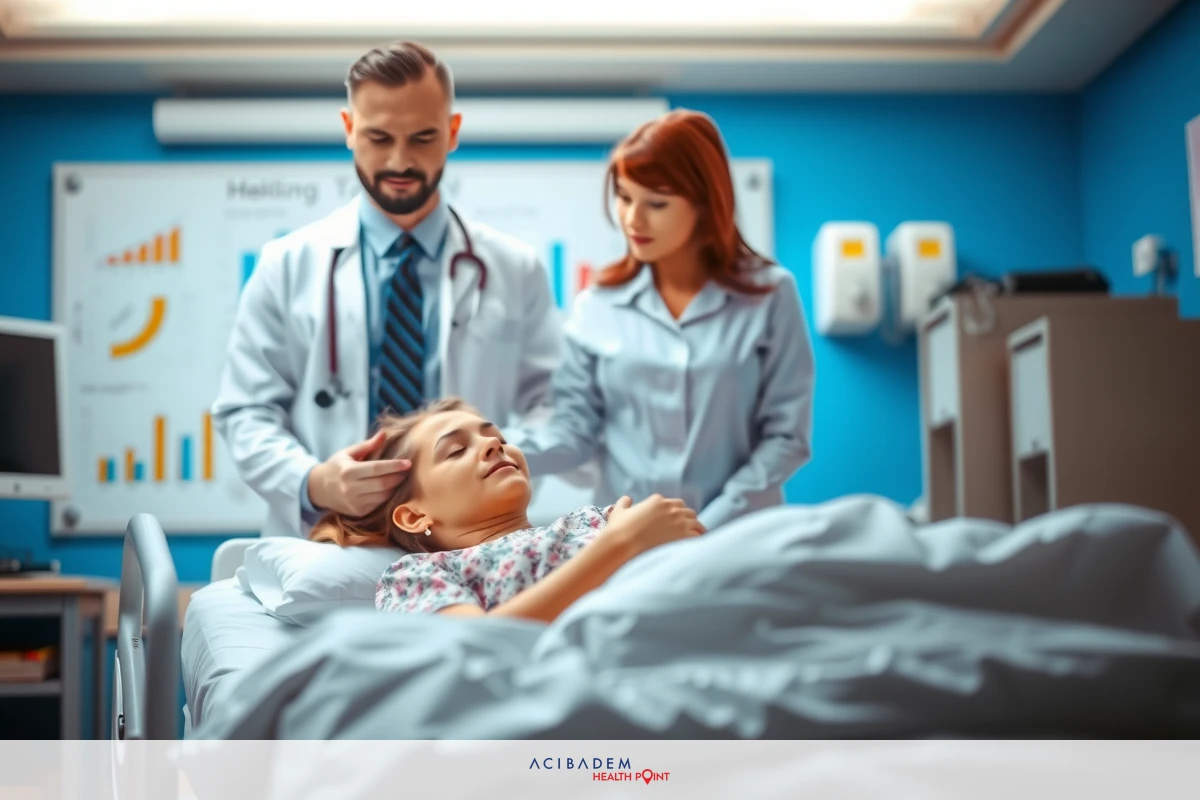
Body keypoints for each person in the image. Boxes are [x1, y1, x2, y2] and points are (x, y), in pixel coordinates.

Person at [212, 41, 561, 538]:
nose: (400, 161)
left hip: (472, 542)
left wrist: (476, 475)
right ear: (350, 129)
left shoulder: (515, 269)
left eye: (422, 138)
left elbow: (553, 408)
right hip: (329, 543)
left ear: (453, 132)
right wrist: (313, 482)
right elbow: (245, 410)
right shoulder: (285, 265)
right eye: (379, 137)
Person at [508, 109, 815, 532]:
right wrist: (502, 452)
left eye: (656, 203)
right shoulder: (597, 305)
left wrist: (709, 523)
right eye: (625, 196)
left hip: (738, 534)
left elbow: (785, 438)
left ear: (705, 204)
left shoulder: (770, 295)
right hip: (626, 539)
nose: (633, 219)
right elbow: (572, 430)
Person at [308, 399, 704, 620]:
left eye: (496, 437)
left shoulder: (594, 520)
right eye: (457, 450)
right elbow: (473, 648)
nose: (494, 446)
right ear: (414, 516)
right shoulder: (418, 575)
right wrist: (617, 547)